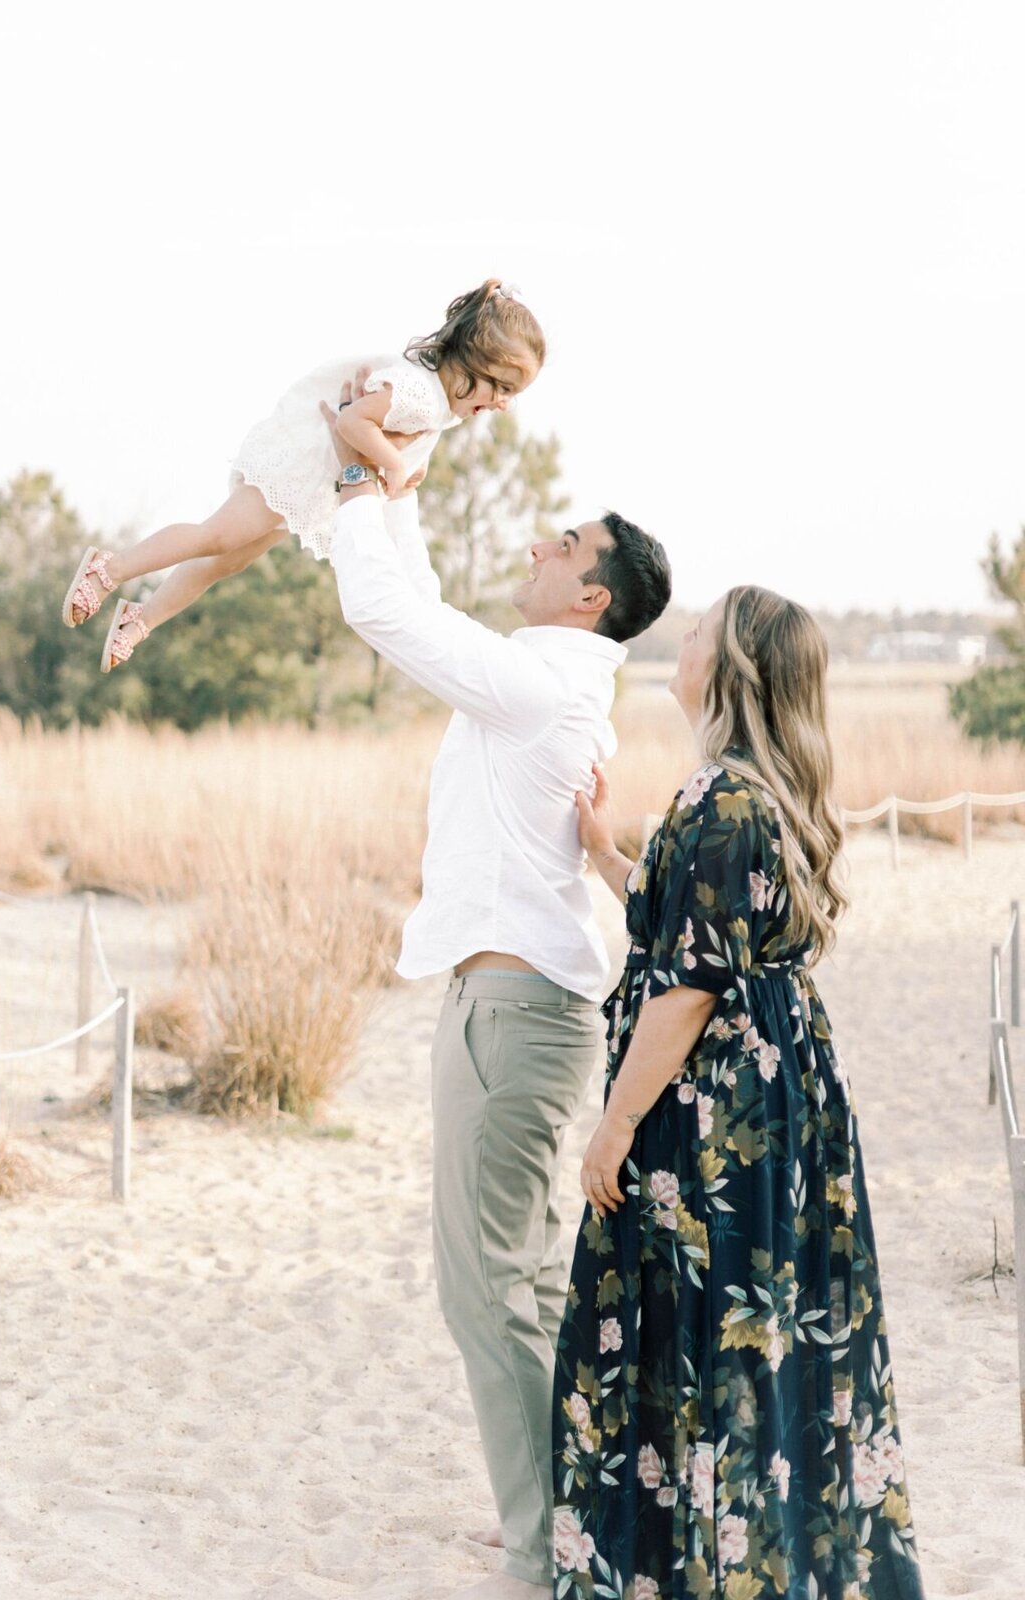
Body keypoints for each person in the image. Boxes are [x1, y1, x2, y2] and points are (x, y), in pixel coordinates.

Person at [319, 384, 672, 1599]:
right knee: (518, 1282)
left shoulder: (541, 687)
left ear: (592, 596)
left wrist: (365, 485)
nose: (538, 543)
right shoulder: (542, 678)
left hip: (513, 1017)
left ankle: (546, 1547)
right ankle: (562, 1514)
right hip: (512, 1012)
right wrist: (398, 497)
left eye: (565, 545)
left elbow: (380, 609)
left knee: (489, 1293)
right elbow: (416, 610)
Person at [554, 588, 925, 1599]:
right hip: (777, 1098)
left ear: (736, 669)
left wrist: (616, 1122)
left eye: (701, 628)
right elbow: (695, 928)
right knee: (759, 1330)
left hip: (717, 1112)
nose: (682, 638)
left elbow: (687, 984)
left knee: (704, 1324)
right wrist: (604, 853)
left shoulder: (723, 798)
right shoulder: (758, 792)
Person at [59, 278, 543, 672]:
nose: (501, 404)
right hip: (298, 470)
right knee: (217, 536)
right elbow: (354, 421)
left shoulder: (440, 405)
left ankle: (141, 618)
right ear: (472, 362)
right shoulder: (419, 392)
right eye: (501, 388)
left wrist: (402, 468)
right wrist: (394, 465)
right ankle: (109, 570)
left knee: (226, 560)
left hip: (312, 486)